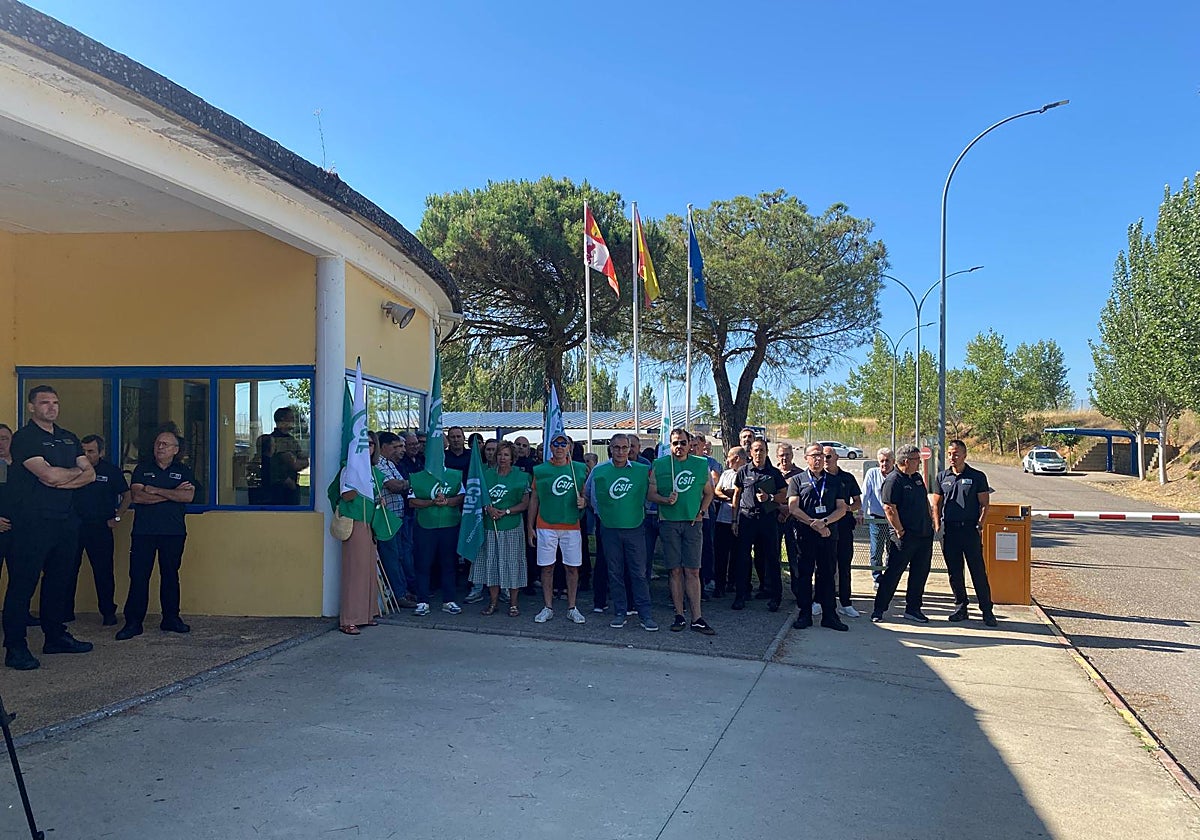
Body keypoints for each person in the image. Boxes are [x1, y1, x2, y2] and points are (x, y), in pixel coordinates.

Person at [4, 386, 96, 669]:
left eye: (55, 402)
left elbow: (90, 473)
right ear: (31, 407)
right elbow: (45, 474)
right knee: (23, 584)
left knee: (59, 581)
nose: (51, 407)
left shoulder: (68, 437)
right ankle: (15, 647)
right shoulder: (25, 439)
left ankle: (55, 637)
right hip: (32, 524)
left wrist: (62, 478)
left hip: (65, 522)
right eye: (44, 403)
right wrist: (70, 475)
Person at [117, 428, 197, 640]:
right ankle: (133, 622)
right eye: (157, 443)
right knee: (139, 577)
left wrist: (156, 490)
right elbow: (138, 497)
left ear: (175, 450)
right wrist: (172, 494)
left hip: (173, 532)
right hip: (144, 532)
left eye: (165, 444)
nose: (160, 447)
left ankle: (171, 618)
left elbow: (188, 497)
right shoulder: (143, 469)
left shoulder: (184, 471)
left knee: (170, 575)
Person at [649, 428, 716, 634]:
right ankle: (679, 614)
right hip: (669, 522)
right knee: (675, 570)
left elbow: (709, 493)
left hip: (692, 524)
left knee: (693, 570)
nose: (679, 447)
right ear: (670, 445)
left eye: (683, 443)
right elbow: (651, 494)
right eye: (675, 443)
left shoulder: (700, 464)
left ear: (690, 444)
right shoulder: (659, 465)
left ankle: (697, 617)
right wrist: (664, 500)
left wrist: (702, 512)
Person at [588, 434, 657, 630]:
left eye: (624, 447)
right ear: (610, 448)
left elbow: (649, 496)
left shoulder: (642, 470)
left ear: (630, 449)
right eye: (616, 447)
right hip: (609, 529)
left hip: (635, 528)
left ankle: (645, 614)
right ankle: (620, 611)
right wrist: (605, 515)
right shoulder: (599, 471)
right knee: (614, 572)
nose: (620, 451)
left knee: (639, 573)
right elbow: (591, 496)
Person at [331, 432, 395, 634]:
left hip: (370, 522)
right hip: (355, 521)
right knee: (354, 571)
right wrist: (359, 487)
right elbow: (345, 494)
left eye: (371, 444)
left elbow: (373, 497)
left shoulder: (374, 472)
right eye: (364, 444)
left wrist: (378, 501)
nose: (368, 448)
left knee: (368, 570)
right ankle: (349, 618)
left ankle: (366, 614)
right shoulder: (349, 469)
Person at [932, 439, 997, 627]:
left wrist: (980, 525)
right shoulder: (942, 477)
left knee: (977, 571)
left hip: (969, 530)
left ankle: (987, 610)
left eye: (956, 453)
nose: (953, 457)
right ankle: (961, 607)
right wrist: (938, 526)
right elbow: (936, 504)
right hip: (949, 531)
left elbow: (985, 505)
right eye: (950, 453)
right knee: (954, 572)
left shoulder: (977, 476)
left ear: (965, 455)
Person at [69, 435, 130, 625]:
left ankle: (108, 612)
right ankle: (64, 612)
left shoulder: (110, 472)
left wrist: (117, 518)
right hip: (74, 527)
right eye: (84, 451)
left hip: (100, 527)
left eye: (91, 451)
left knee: (103, 572)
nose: (86, 455)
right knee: (68, 570)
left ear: (101, 452)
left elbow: (127, 496)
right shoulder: (73, 469)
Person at [787, 445, 849, 631]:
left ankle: (830, 615)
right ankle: (804, 614)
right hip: (805, 535)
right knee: (805, 575)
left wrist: (824, 522)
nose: (818, 459)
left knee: (828, 575)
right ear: (806, 458)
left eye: (821, 455)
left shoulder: (834, 481)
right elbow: (793, 508)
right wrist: (812, 523)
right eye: (814, 455)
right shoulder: (797, 480)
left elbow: (841, 508)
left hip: (828, 534)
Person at [527, 433, 587, 624]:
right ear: (550, 447)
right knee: (547, 567)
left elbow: (586, 495)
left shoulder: (579, 468)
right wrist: (529, 526)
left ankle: (572, 607)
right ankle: (547, 606)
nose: (560, 447)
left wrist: (583, 502)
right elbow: (534, 499)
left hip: (571, 525)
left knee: (572, 568)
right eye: (556, 444)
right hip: (546, 525)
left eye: (564, 444)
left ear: (569, 446)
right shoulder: (540, 470)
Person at [871, 444, 934, 624]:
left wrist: (930, 521)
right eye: (917, 460)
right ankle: (879, 609)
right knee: (893, 573)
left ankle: (913, 609)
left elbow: (924, 502)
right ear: (906, 461)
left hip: (923, 534)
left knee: (920, 573)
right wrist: (900, 531)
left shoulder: (917, 478)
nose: (919, 463)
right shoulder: (894, 480)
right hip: (904, 537)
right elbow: (889, 508)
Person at [472, 441, 531, 617]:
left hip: (512, 526)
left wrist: (506, 511)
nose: (502, 458)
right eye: (499, 454)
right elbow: (480, 498)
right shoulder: (486, 475)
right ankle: (493, 602)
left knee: (512, 564)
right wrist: (488, 508)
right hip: (491, 526)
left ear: (512, 457)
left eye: (506, 455)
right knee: (491, 564)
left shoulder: (522, 477)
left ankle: (513, 603)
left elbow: (525, 503)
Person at [730, 439, 785, 612]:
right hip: (747, 518)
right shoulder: (743, 471)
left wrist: (769, 498)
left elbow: (783, 496)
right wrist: (734, 520)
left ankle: (776, 597)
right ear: (750, 453)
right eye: (755, 450)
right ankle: (741, 595)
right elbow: (737, 495)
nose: (758, 453)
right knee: (742, 558)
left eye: (762, 450)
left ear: (767, 452)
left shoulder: (774, 473)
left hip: (767, 520)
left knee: (772, 558)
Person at [408, 451, 466, 617]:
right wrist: (431, 502)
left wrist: (447, 501)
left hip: (450, 525)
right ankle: (422, 602)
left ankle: (449, 600)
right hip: (425, 527)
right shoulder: (417, 477)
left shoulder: (455, 475)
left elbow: (462, 496)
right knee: (423, 564)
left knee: (448, 564)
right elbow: (412, 501)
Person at [375, 432, 416, 609]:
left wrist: (407, 484)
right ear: (383, 447)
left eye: (401, 446)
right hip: (386, 518)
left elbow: (402, 485)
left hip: (399, 517)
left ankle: (403, 590)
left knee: (401, 555)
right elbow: (395, 486)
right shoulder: (378, 465)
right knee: (391, 557)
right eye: (396, 446)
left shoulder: (391, 464)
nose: (401, 450)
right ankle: (398, 594)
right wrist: (415, 482)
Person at [823, 445, 863, 618]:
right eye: (823, 457)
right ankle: (820, 600)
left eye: (829, 457)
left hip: (844, 526)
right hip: (825, 527)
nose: (825, 460)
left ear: (837, 457)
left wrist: (849, 508)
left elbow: (857, 502)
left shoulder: (847, 478)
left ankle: (846, 603)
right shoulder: (819, 478)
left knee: (844, 565)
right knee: (825, 566)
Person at [255, 406, 309, 505]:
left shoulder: (291, 440)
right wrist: (296, 462)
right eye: (291, 418)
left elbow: (304, 460)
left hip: (291, 488)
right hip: (278, 491)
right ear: (282, 420)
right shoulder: (274, 440)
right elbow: (294, 464)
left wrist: (299, 461)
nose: (294, 420)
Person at [712, 446, 746, 598]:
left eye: (729, 457)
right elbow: (717, 490)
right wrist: (729, 497)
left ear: (736, 458)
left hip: (742, 519)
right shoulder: (726, 474)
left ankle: (735, 583)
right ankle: (720, 585)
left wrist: (734, 495)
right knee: (721, 554)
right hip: (723, 518)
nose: (727, 460)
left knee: (739, 554)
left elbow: (742, 494)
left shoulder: (747, 473)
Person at [860, 448, 895, 588]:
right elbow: (865, 493)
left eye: (887, 461)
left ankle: (889, 578)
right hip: (877, 518)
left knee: (892, 550)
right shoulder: (872, 473)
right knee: (876, 551)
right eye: (881, 461)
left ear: (893, 461)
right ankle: (877, 578)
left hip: (893, 520)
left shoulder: (897, 475)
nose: (884, 464)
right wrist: (861, 512)